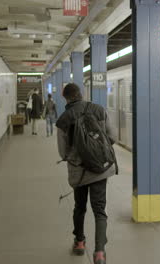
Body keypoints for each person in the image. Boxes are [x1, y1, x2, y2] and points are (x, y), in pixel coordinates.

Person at [56, 83, 115, 264]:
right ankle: (99, 253)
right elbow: (111, 137)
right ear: (80, 94)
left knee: (79, 207)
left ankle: (80, 242)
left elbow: (62, 152)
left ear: (64, 97)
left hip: (79, 172)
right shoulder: (99, 110)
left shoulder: (63, 120)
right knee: (100, 211)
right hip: (99, 169)